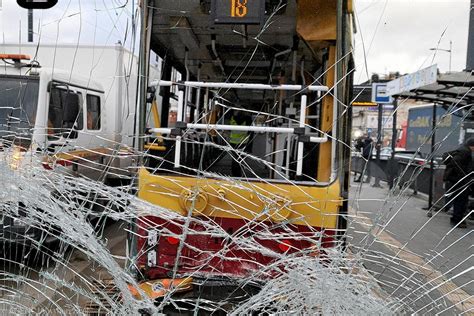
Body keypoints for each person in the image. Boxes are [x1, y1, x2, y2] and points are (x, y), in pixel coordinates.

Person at [443, 138, 474, 228]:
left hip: (457, 180)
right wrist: (463, 175)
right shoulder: (465, 152)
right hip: (459, 181)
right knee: (461, 200)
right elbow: (455, 162)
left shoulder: (462, 150)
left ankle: (457, 219)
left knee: (460, 200)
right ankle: (457, 220)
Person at [229, 111, 253, 177]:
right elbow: (250, 133)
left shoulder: (232, 119)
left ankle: (234, 175)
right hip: (243, 143)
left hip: (233, 143)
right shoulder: (248, 120)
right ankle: (239, 175)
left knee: (234, 160)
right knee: (241, 160)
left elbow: (229, 129)